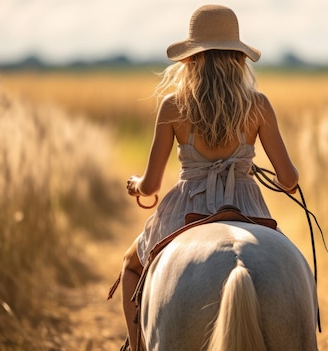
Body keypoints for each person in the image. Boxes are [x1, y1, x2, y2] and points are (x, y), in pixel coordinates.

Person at [120, 4, 298, 350]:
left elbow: (152, 186)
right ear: (239, 58)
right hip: (245, 205)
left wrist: (136, 185)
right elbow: (288, 179)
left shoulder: (173, 106)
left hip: (187, 207)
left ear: (190, 59)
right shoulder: (258, 105)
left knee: (130, 266)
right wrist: (271, 172)